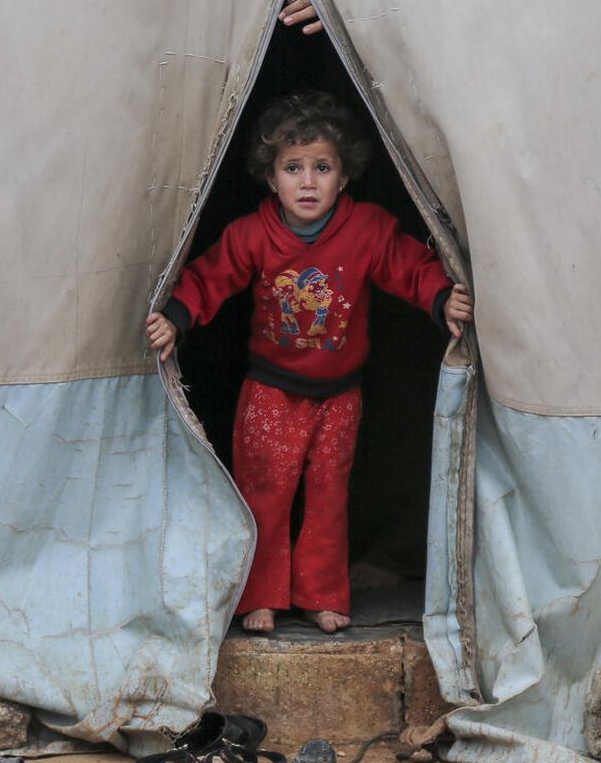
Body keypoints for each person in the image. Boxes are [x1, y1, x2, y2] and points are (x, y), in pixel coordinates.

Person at [146, 91, 473, 634]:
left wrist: (442, 296)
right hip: (271, 391)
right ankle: (261, 596)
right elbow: (211, 275)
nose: (307, 181)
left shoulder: (367, 229)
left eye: (322, 167)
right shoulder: (253, 234)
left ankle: (322, 594)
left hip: (340, 392)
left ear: (344, 177)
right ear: (270, 178)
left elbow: (408, 263)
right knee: (265, 492)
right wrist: (177, 317)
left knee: (328, 494)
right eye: (292, 168)